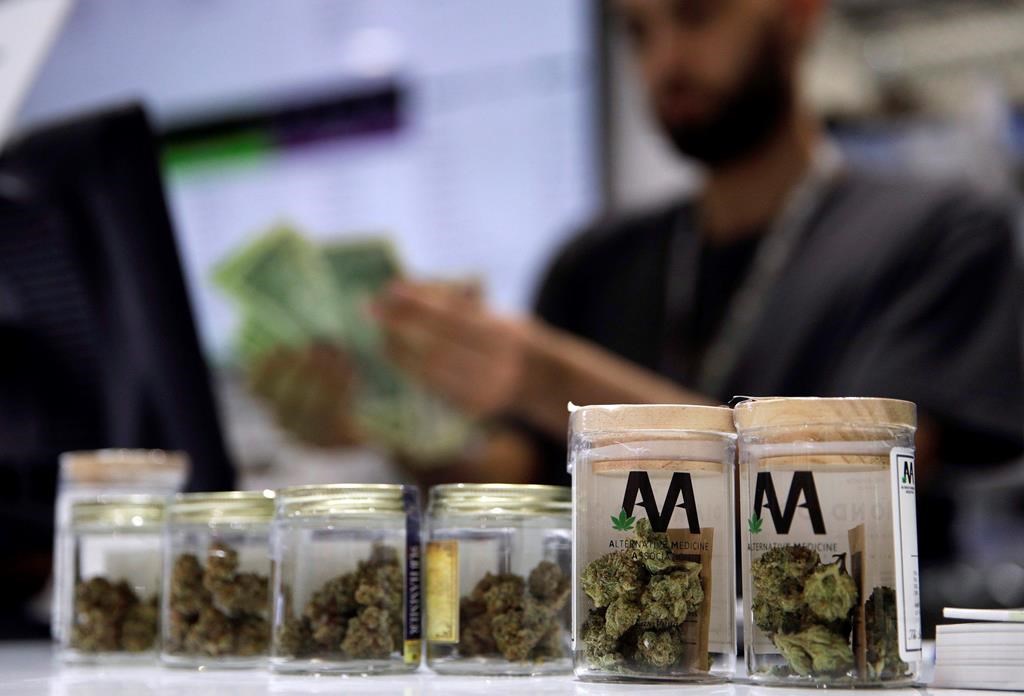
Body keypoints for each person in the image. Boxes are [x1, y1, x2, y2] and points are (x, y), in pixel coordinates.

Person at [371, 0, 1024, 566]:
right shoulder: (595, 263)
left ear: (799, 12)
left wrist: (548, 380)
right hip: (626, 655)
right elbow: (524, 489)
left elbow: (854, 492)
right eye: (638, 32)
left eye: (697, 15)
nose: (666, 60)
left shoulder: (937, 234)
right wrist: (388, 416)